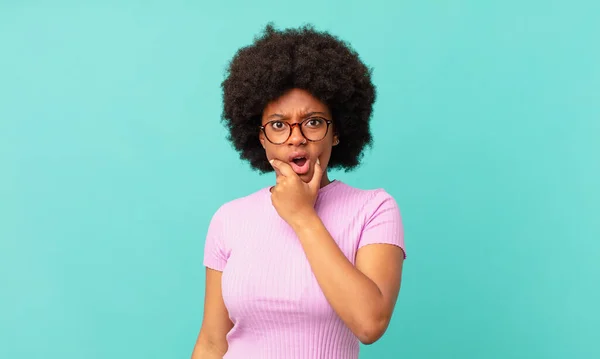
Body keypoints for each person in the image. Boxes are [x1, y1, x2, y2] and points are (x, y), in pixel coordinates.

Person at [191, 24, 406, 359]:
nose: (296, 138)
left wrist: (303, 217)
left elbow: (369, 323)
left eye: (314, 122)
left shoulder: (374, 209)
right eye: (278, 125)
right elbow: (211, 342)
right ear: (259, 137)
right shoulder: (229, 219)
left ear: (337, 132)